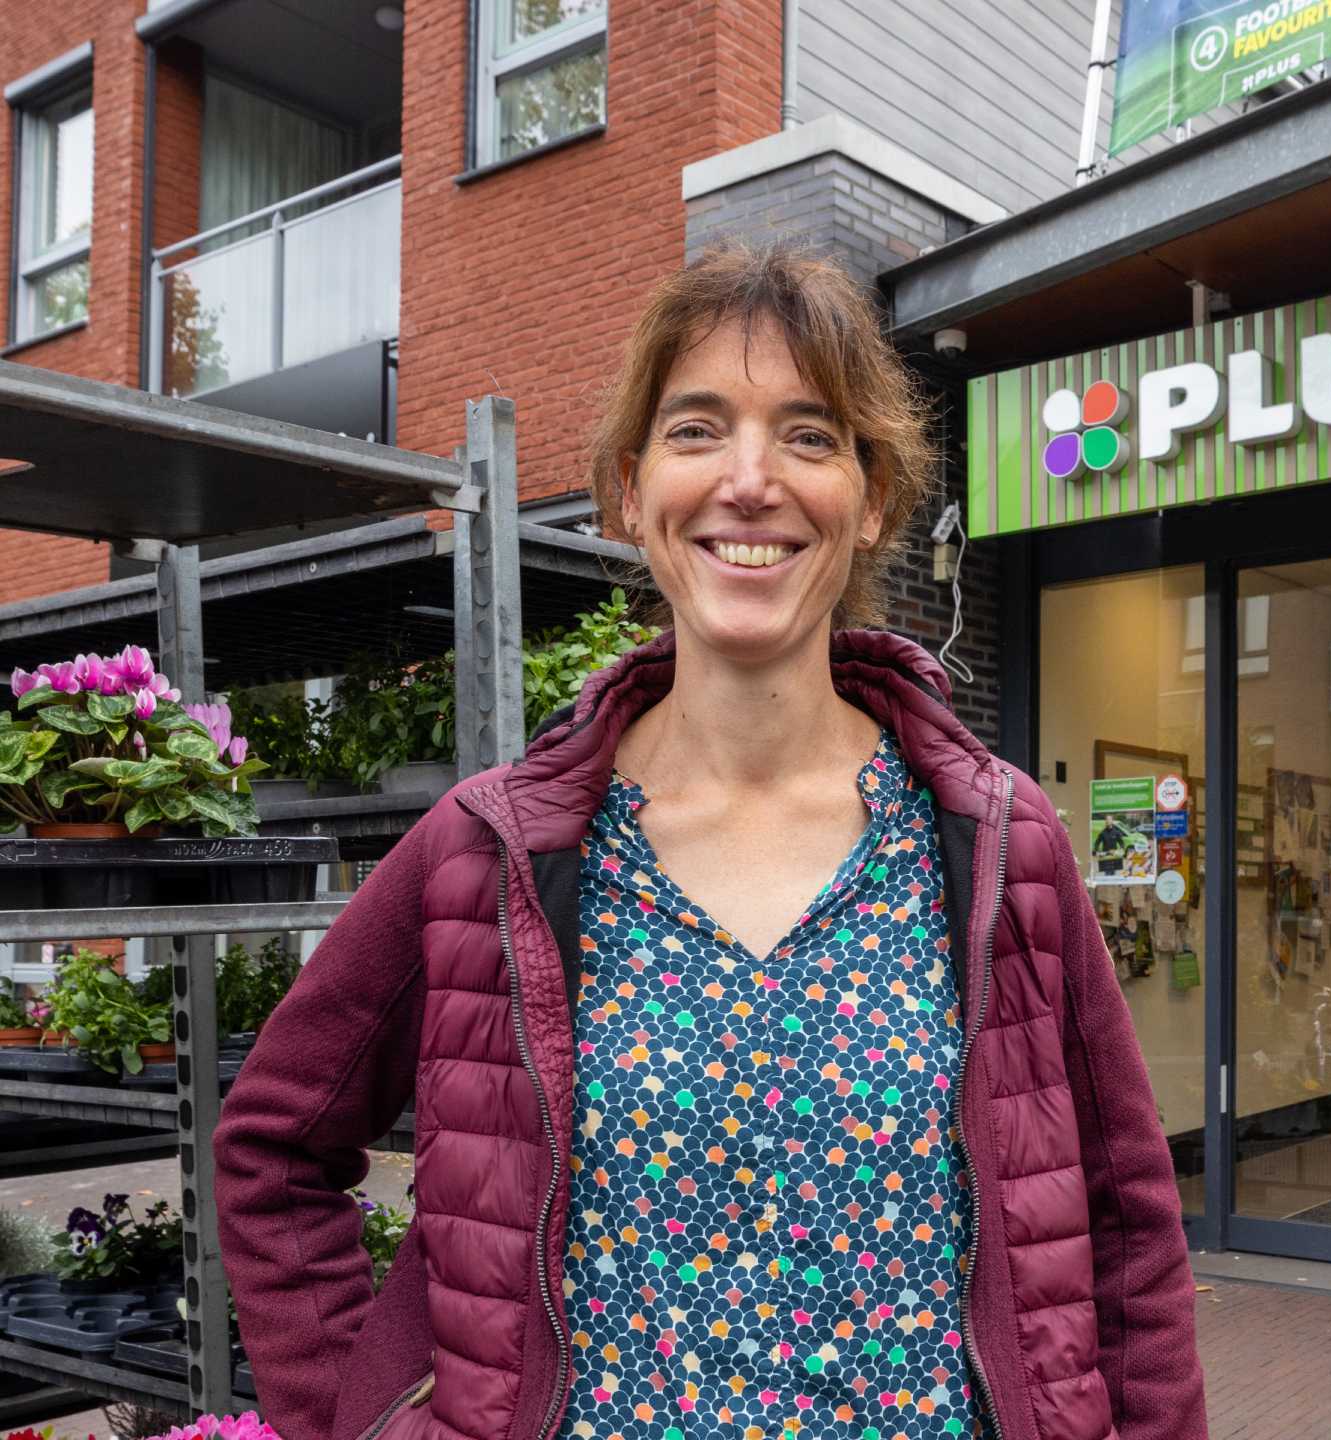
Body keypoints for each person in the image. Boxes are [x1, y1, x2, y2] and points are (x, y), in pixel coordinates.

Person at [215, 247, 1207, 1440]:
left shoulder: (996, 841)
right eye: (698, 430)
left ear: (872, 497)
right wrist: (362, 1419)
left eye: (808, 435)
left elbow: (1126, 1227)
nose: (750, 481)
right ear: (630, 493)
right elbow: (271, 1154)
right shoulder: (487, 854)